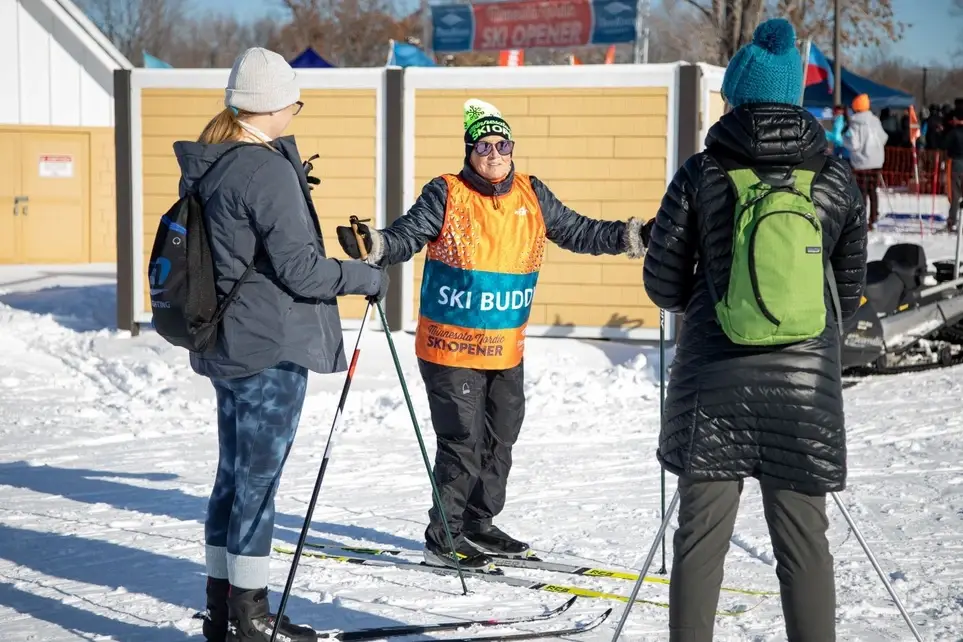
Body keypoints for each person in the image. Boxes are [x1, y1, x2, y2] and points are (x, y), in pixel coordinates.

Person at [336, 99, 649, 572]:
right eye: (485, 145)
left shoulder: (531, 192)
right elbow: (408, 235)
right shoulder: (446, 192)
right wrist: (376, 244)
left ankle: (478, 524)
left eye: (503, 144)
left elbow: (578, 231)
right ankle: (444, 538)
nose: (496, 153)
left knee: (501, 436)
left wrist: (633, 236)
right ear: (470, 150)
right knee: (461, 438)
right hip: (450, 344)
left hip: (505, 344)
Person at [642, 19, 867, 642]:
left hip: (712, 385)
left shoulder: (702, 172)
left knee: (700, 541)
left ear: (738, 97)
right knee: (804, 545)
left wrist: (712, 289)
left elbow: (662, 286)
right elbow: (843, 299)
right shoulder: (837, 177)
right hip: (804, 391)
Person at [174, 47, 388, 642]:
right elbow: (304, 272)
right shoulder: (263, 169)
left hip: (226, 340)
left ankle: (224, 608)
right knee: (258, 484)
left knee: (233, 477)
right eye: (295, 99)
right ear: (274, 105)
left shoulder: (213, 160)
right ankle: (251, 616)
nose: (297, 109)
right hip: (268, 347)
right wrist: (366, 276)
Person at [845, 93, 888, 230]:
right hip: (876, 162)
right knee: (873, 191)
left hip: (860, 163)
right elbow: (883, 138)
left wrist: (844, 140)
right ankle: (874, 217)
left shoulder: (854, 123)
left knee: (861, 192)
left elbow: (854, 144)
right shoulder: (875, 121)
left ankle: (862, 219)